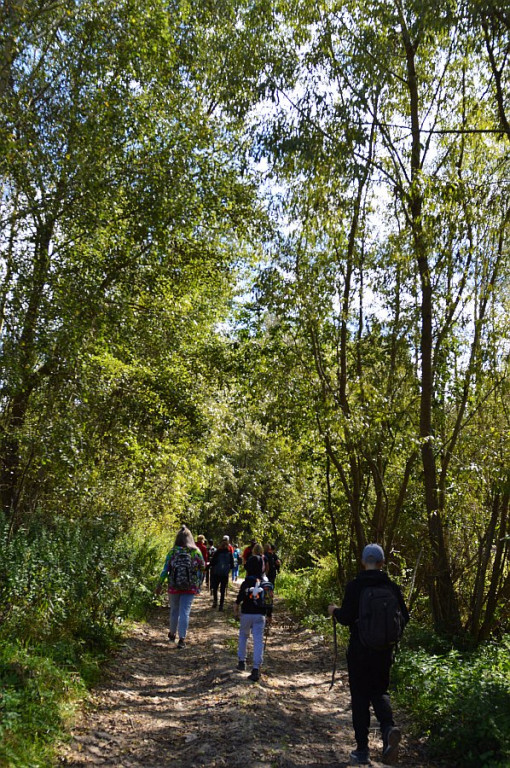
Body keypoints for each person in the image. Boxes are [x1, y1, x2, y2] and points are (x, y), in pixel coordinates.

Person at [328, 543, 409, 766]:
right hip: (383, 652)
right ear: (382, 563)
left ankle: (362, 750)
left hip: (359, 652)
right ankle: (388, 730)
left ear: (364, 562)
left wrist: (334, 611)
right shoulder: (391, 587)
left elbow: (345, 618)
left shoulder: (355, 586)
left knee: (360, 697)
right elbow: (405, 617)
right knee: (380, 691)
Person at [155, 525, 205, 648]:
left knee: (174, 610)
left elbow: (165, 569)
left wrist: (159, 584)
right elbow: (203, 567)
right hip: (190, 586)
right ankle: (182, 639)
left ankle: (172, 634)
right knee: (184, 612)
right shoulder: (195, 552)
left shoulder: (173, 551)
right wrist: (198, 582)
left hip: (174, 585)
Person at [233, 553, 273, 682]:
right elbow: (269, 601)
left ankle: (241, 661)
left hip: (246, 614)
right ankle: (256, 669)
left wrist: (236, 609)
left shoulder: (246, 582)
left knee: (243, 636)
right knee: (258, 640)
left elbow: (239, 598)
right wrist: (269, 615)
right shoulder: (265, 583)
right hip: (260, 615)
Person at [210, 537, 234, 611]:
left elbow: (212, 563)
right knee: (223, 589)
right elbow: (232, 565)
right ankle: (221, 605)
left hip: (216, 573)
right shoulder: (229, 554)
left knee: (215, 588)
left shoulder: (217, 552)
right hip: (224, 574)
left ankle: (215, 602)